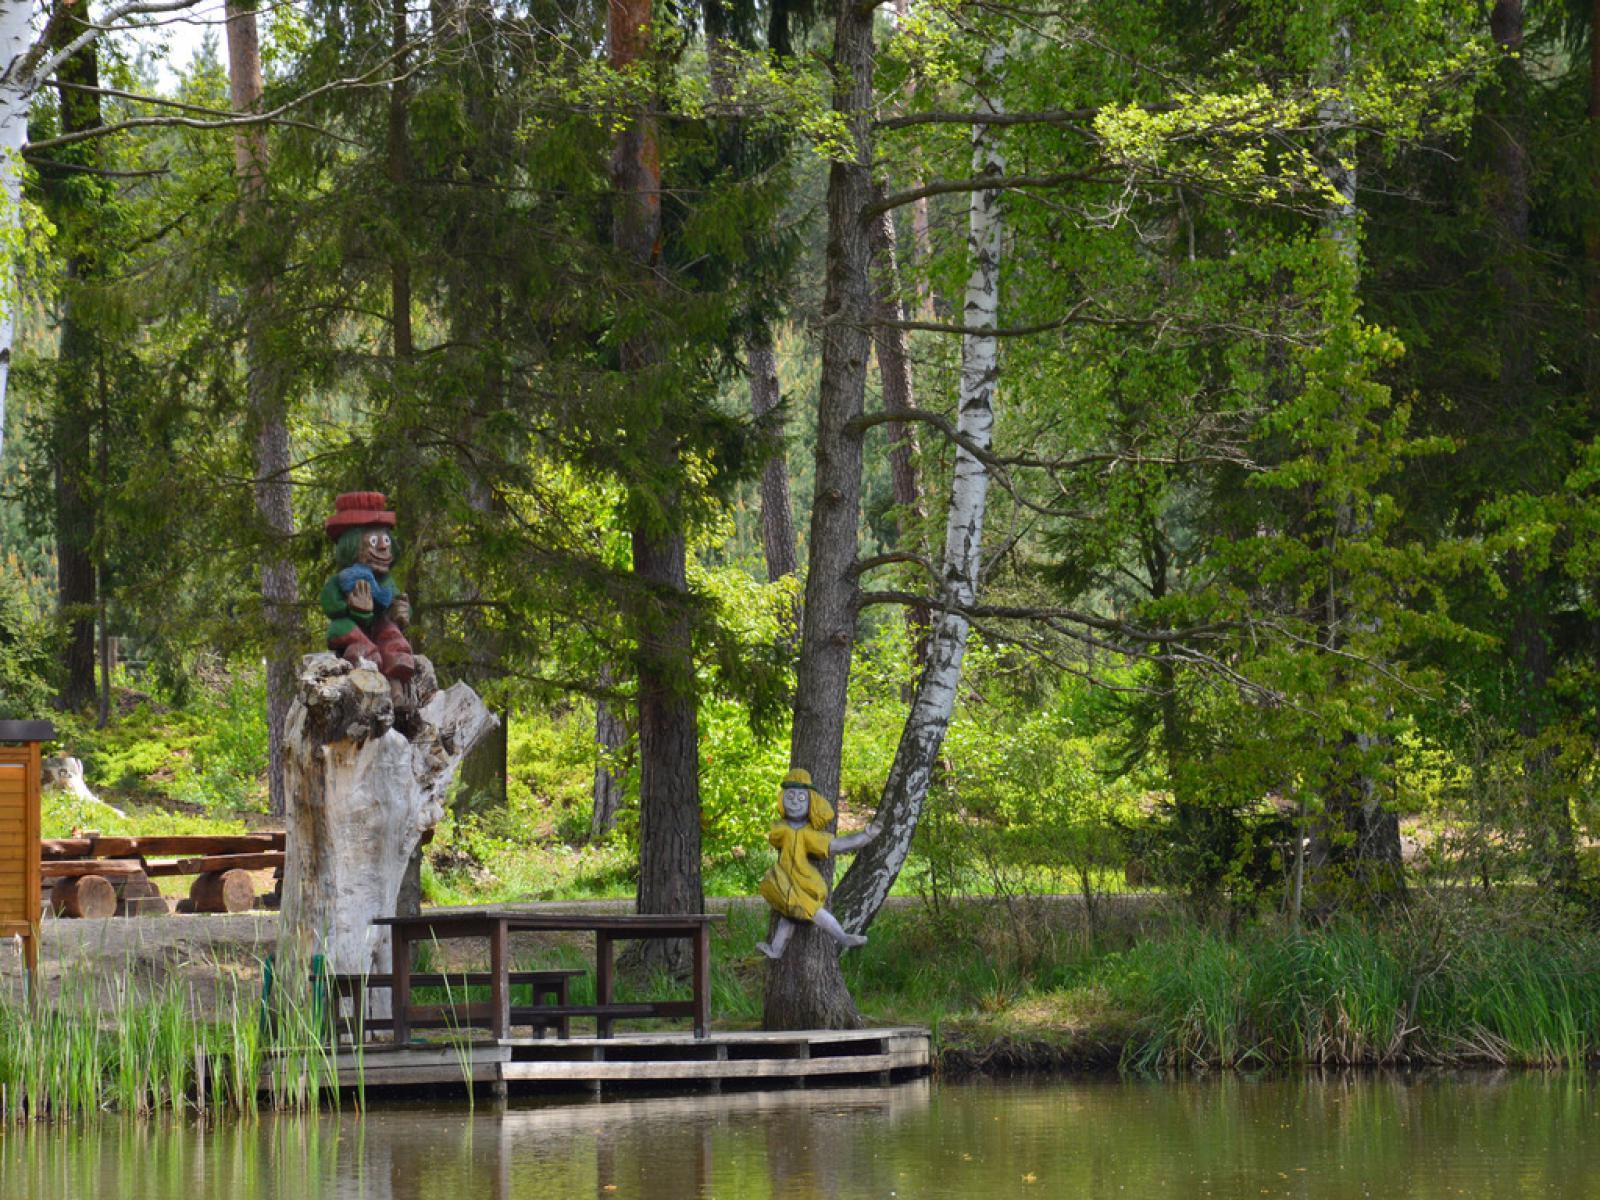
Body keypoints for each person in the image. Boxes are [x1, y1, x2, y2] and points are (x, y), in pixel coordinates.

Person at [756, 768, 881, 959]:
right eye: (790, 797)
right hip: (783, 878)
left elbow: (837, 845)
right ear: (782, 799)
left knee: (812, 910)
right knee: (788, 915)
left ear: (811, 803)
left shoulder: (808, 835)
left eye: (801, 798)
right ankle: (776, 949)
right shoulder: (781, 829)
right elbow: (774, 837)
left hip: (803, 880)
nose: (795, 803)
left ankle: (842, 937)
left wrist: (866, 836)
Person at [320, 491, 415, 707]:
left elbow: (394, 604)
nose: (383, 547)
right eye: (373, 541)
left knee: (392, 636)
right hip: (352, 630)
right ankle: (368, 688)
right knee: (358, 645)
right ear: (352, 546)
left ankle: (396, 690)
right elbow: (329, 603)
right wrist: (351, 607)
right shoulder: (341, 580)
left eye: (386, 541)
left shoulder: (386, 582)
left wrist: (401, 612)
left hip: (378, 627)